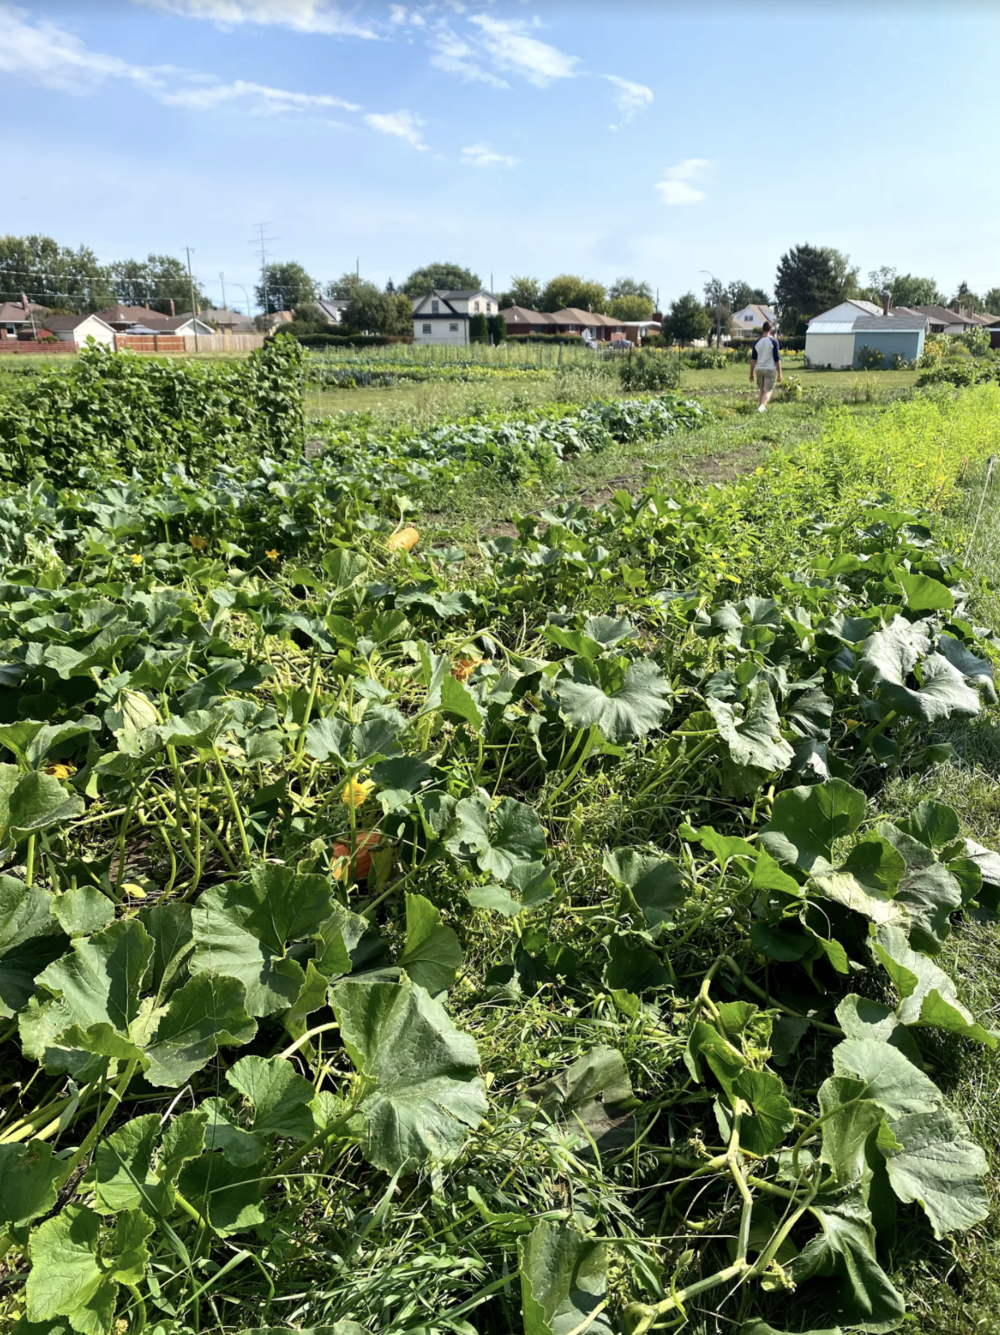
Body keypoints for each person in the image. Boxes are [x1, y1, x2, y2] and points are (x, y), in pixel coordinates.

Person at [749, 320, 781, 411]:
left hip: (759, 369)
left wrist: (751, 373)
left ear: (762, 329)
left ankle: (760, 408)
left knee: (762, 390)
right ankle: (762, 407)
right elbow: (777, 359)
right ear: (770, 329)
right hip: (769, 369)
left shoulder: (756, 342)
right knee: (768, 390)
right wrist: (780, 373)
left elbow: (753, 360)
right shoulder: (774, 342)